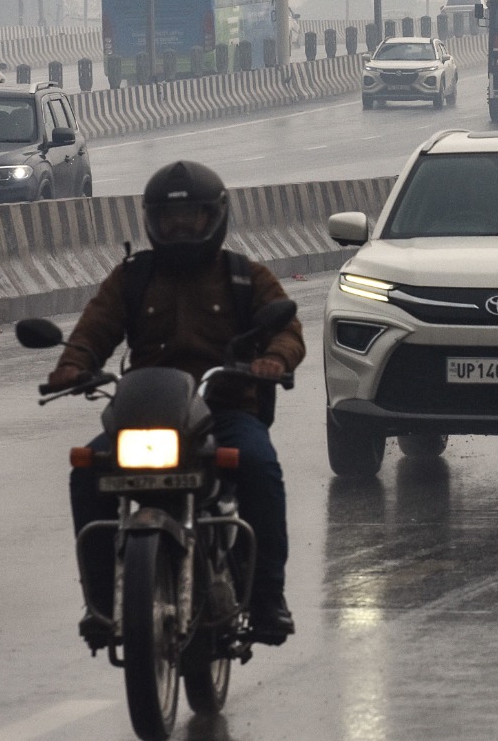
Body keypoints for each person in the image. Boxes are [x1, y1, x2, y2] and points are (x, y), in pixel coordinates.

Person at [54, 161, 305, 648]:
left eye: (192, 216)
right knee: (87, 469)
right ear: (152, 221)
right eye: (170, 219)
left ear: (215, 217)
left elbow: (287, 329)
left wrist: (275, 359)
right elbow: (94, 329)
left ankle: (267, 600)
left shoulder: (243, 276)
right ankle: (101, 603)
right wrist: (72, 365)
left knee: (260, 467)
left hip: (224, 411)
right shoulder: (132, 277)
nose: (181, 227)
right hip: (148, 414)